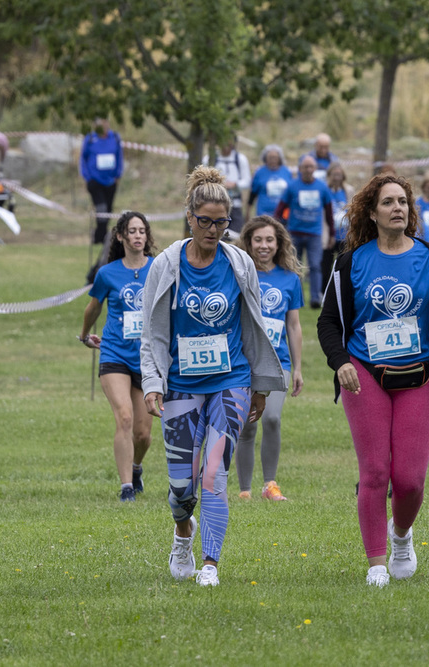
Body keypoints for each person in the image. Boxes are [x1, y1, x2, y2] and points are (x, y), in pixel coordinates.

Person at [140, 165, 286, 587]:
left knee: (213, 475)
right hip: (182, 384)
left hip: (231, 380)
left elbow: (255, 326)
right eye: (205, 221)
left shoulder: (239, 262)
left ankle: (210, 564)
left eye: (222, 223)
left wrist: (260, 384)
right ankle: (183, 532)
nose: (214, 230)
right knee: (182, 486)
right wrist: (152, 383)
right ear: (190, 217)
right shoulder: (166, 264)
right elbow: (152, 333)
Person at [317, 173, 429, 588]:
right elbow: (328, 322)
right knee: (375, 472)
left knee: (410, 479)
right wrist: (340, 360)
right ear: (372, 212)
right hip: (365, 373)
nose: (398, 208)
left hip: (420, 374)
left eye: (403, 202)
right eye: (388, 202)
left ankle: (401, 535)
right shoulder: (350, 262)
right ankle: (377, 562)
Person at [78, 211, 156, 502]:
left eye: (142, 231)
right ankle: (126, 488)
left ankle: (136, 469)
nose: (137, 236)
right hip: (114, 353)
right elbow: (93, 308)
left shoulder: (158, 269)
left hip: (147, 358)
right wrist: (86, 336)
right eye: (132, 231)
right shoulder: (108, 273)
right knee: (124, 418)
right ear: (121, 236)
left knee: (143, 434)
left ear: (147, 237)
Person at [235, 216, 304, 502]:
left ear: (279, 244)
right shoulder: (239, 273)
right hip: (245, 361)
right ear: (249, 243)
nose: (264, 245)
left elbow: (294, 325)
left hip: (279, 363)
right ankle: (244, 490)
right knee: (247, 424)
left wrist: (298, 367)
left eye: (269, 240)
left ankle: (270, 485)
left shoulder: (290, 279)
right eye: (258, 240)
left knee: (272, 418)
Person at [275, 154, 334, 308]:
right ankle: (296, 297)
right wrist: (276, 228)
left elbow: (329, 213)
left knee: (315, 266)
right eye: (305, 167)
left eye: (311, 167)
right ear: (300, 169)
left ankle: (315, 298)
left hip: (314, 234)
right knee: (294, 266)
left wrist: (332, 234)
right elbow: (280, 209)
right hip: (295, 233)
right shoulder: (292, 186)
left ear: (315, 169)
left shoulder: (322, 188)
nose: (308, 170)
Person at [80, 117, 124, 247]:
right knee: (101, 208)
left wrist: (117, 175)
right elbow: (83, 159)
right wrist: (87, 177)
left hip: (110, 181)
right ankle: (100, 237)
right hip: (95, 181)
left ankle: (101, 236)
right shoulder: (90, 139)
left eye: (105, 122)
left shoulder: (115, 137)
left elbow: (119, 157)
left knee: (108, 210)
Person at [209, 140, 252, 242]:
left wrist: (235, 184)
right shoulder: (211, 159)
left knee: (236, 236)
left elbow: (247, 181)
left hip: (235, 204)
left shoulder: (240, 159)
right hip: (215, 202)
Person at [320, 161, 353, 278]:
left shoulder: (348, 190)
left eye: (339, 174)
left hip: (343, 234)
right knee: (325, 265)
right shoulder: (324, 190)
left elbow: (352, 210)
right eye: (334, 174)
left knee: (343, 265)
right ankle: (324, 292)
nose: (336, 177)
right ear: (329, 175)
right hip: (328, 233)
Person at [247, 144, 291, 219]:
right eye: (270, 157)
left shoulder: (286, 172)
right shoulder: (259, 172)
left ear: (280, 158)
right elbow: (252, 194)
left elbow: (290, 194)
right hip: (263, 215)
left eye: (275, 157)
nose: (273, 160)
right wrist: (248, 212)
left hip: (283, 216)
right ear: (265, 158)